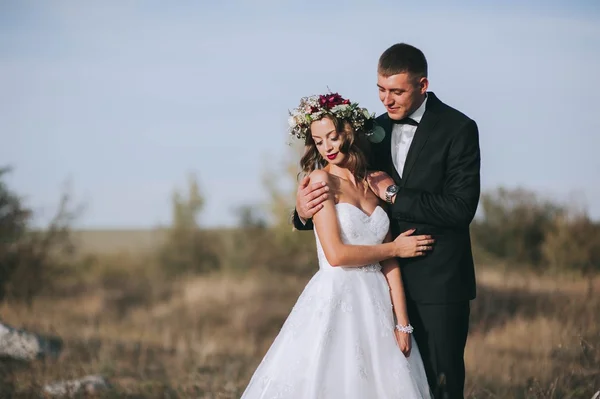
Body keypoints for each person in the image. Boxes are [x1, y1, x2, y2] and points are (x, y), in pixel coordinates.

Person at [293, 43, 481, 399]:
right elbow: (339, 186)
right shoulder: (371, 132)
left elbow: (460, 209)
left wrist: (395, 194)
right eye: (381, 89)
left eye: (397, 91)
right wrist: (302, 212)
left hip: (438, 283)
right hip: (377, 292)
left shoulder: (459, 129)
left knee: (442, 385)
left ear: (423, 85)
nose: (386, 100)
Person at [241, 92, 433, 398]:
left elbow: (389, 264)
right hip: (337, 299)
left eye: (332, 137)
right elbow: (336, 254)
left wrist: (402, 323)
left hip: (378, 306)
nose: (326, 147)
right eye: (318, 141)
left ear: (349, 133)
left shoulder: (373, 183)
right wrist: (396, 248)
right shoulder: (320, 180)